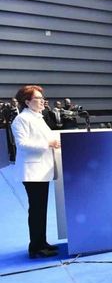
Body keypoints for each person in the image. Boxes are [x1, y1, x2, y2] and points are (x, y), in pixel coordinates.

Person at [11, 85, 61, 258]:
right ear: (27, 102)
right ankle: (35, 247)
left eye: (42, 98)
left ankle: (42, 242)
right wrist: (48, 144)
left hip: (41, 169)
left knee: (41, 209)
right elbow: (22, 145)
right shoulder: (21, 120)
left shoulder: (38, 118)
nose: (42, 101)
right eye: (38, 98)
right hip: (32, 171)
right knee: (37, 210)